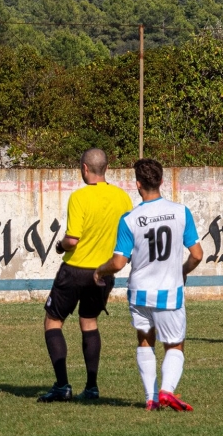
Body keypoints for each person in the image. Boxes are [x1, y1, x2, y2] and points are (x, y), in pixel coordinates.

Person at [94, 158, 203, 411]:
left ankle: (151, 398)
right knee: (175, 344)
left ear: (138, 184)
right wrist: (183, 271)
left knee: (145, 340)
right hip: (168, 292)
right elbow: (197, 255)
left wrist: (100, 270)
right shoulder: (180, 212)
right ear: (162, 181)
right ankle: (166, 391)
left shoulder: (129, 219)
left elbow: (118, 263)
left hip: (139, 293)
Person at [38, 148, 133, 402]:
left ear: (84, 168)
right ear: (107, 168)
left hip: (75, 269)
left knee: (53, 321)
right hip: (103, 272)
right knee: (89, 322)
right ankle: (91, 387)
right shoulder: (123, 198)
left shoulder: (79, 197)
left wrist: (59, 246)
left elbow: (72, 240)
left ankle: (62, 386)